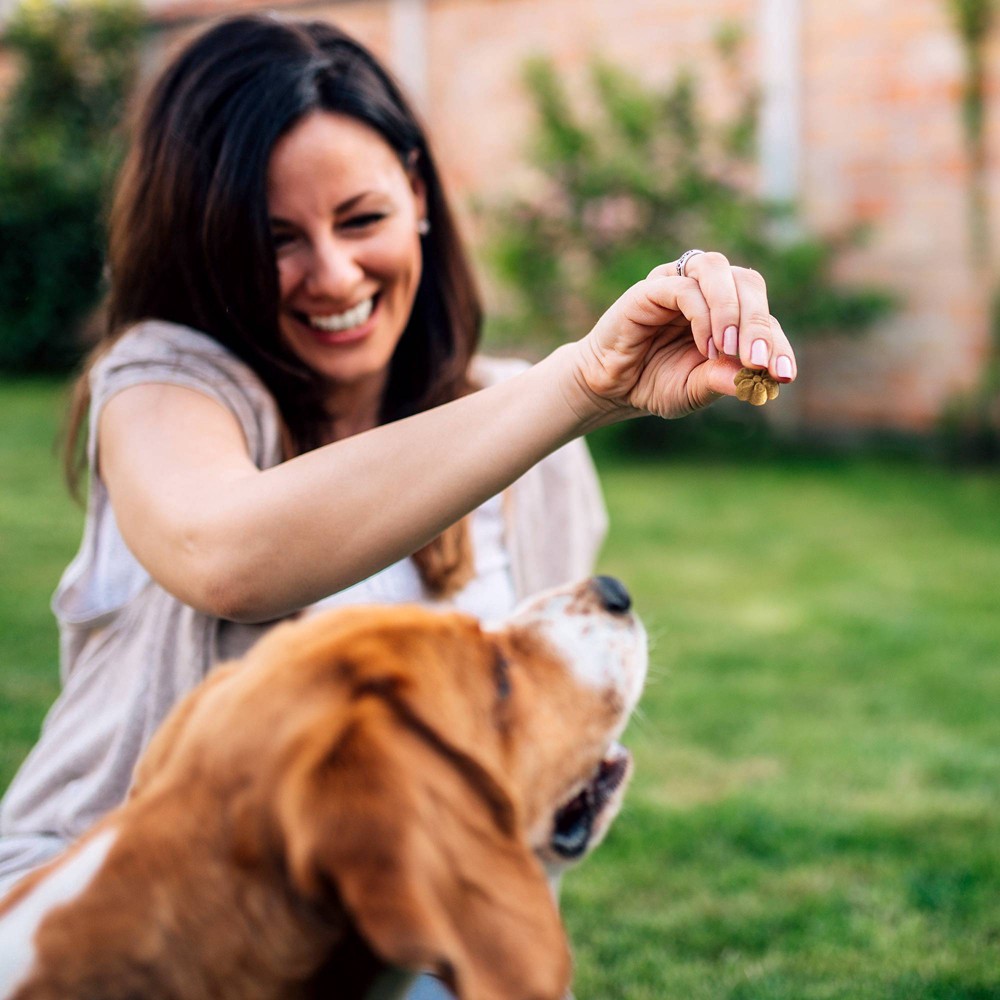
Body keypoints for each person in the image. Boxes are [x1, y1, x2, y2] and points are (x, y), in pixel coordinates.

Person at [0, 11, 796, 993]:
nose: (332, 274)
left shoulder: (529, 446)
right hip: (120, 928)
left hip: (369, 935)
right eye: (274, 238)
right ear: (204, 245)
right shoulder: (164, 387)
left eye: (362, 218)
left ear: (418, 196)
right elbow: (226, 554)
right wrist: (578, 386)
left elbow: (525, 775)